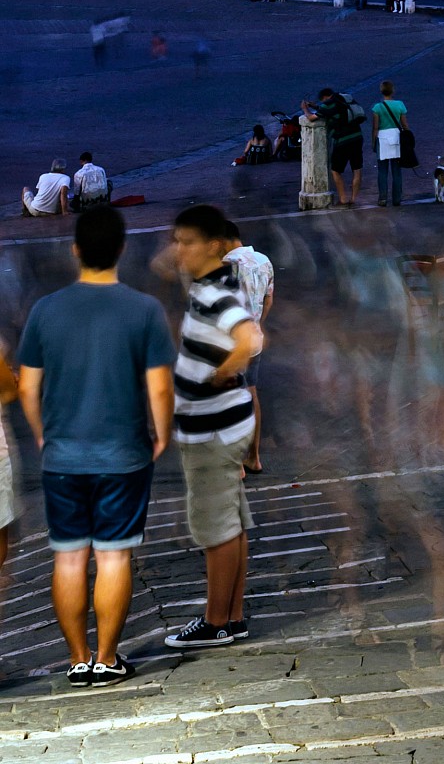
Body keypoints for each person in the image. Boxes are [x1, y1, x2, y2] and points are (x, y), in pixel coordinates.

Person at [17, 205, 174, 684]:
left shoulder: (47, 309)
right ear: (122, 250)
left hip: (63, 455)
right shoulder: (144, 309)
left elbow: (27, 386)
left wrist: (43, 432)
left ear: (76, 250)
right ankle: (107, 658)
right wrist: (161, 434)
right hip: (123, 454)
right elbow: (161, 387)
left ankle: (76, 658)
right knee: (113, 555)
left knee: (68, 556)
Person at [163, 204, 261, 649]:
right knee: (233, 523)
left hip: (212, 430)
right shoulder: (215, 280)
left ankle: (215, 620)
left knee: (217, 530)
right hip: (228, 423)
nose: (177, 249)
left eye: (186, 242)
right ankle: (232, 616)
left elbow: (250, 337)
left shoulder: (215, 294)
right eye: (176, 240)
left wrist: (225, 370)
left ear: (215, 245)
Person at [223, 226, 273, 473]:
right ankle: (253, 458)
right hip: (254, 340)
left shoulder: (227, 263)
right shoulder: (264, 261)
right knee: (251, 393)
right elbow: (268, 300)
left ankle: (237, 464)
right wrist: (258, 324)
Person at [316, 87, 363, 208]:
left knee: (335, 171)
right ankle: (353, 199)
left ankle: (343, 199)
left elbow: (313, 117)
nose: (323, 103)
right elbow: (331, 111)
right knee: (357, 169)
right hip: (357, 136)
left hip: (342, 140)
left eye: (323, 101)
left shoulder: (329, 104)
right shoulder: (344, 98)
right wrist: (315, 106)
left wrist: (305, 109)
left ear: (326, 97)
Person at [370, 81, 409, 208]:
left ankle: (382, 198)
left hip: (382, 138)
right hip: (396, 137)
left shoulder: (377, 107)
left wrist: (373, 142)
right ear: (393, 91)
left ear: (381, 91)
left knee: (382, 171)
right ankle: (397, 198)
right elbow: (405, 125)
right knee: (396, 171)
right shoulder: (400, 105)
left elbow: (375, 127)